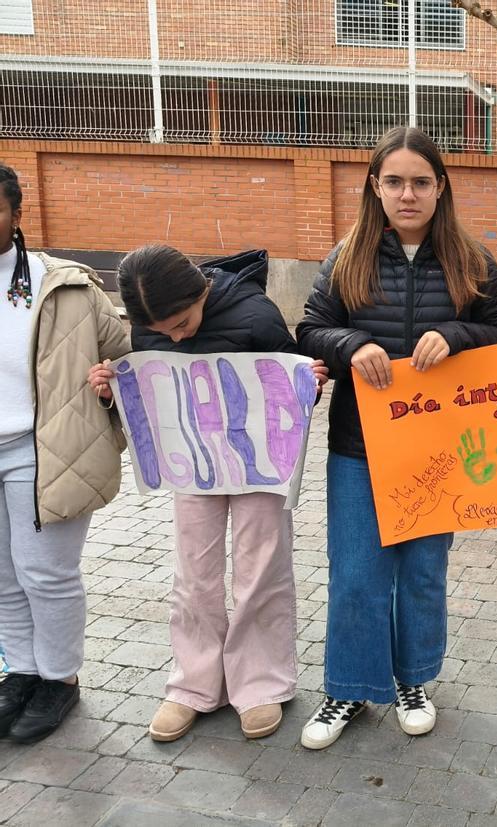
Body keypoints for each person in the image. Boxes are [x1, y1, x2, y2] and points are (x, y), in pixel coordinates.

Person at [296, 126, 497, 750]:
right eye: (393, 182)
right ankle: (346, 687)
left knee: (422, 571)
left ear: (441, 188)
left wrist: (459, 336)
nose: (407, 193)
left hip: (438, 446)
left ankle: (411, 680)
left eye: (421, 182)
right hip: (358, 446)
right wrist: (351, 344)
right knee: (357, 573)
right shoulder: (348, 257)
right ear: (375, 187)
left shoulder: (471, 260)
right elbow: (310, 330)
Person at [88, 244, 327, 742]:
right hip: (191, 466)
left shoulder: (255, 313)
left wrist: (310, 380)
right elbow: (149, 390)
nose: (175, 334)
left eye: (183, 321)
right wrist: (115, 392)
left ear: (202, 291)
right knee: (193, 570)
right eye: (163, 330)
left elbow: (289, 387)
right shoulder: (150, 325)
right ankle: (194, 685)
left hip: (259, 467)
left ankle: (260, 684)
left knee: (261, 566)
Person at [0, 163, 129, 743]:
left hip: (44, 449)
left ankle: (58, 679)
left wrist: (111, 381)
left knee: (44, 573)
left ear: (16, 215)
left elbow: (126, 358)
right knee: (2, 578)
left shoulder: (67, 286)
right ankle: (21, 673)